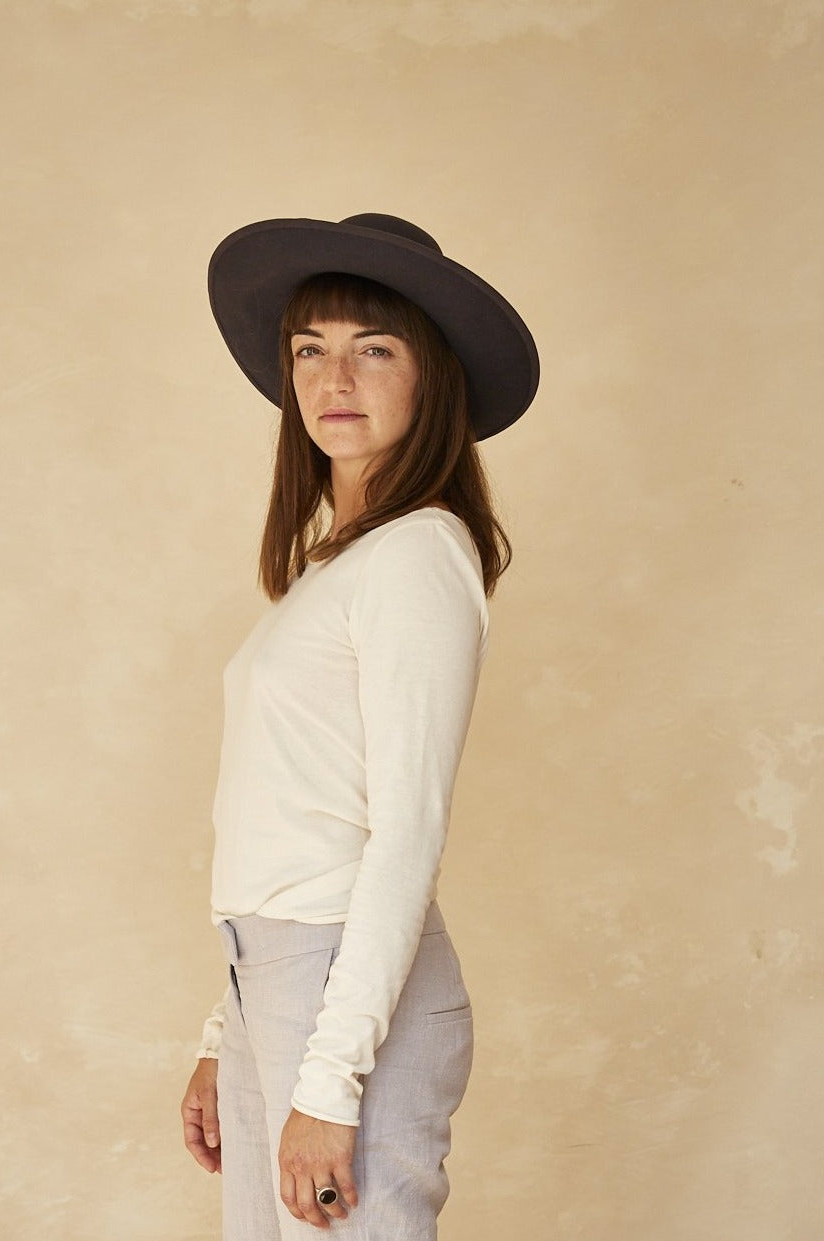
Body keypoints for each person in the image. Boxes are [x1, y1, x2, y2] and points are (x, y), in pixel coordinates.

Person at [180, 213, 538, 1239]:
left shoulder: (418, 553)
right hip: (276, 979)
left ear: (431, 377)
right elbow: (291, 815)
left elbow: (404, 833)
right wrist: (224, 1031)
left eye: (373, 349)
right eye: (310, 349)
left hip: (343, 996)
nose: (334, 378)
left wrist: (329, 1081)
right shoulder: (334, 566)